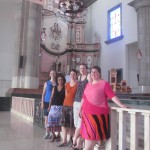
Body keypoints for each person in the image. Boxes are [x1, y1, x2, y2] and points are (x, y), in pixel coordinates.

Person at [79, 66, 127, 150]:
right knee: (88, 139)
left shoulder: (104, 83)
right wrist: (80, 109)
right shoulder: (88, 85)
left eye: (95, 72)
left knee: (92, 139)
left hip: (97, 116)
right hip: (86, 115)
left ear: (99, 73)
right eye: (92, 72)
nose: (93, 74)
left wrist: (121, 105)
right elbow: (84, 97)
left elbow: (112, 96)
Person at [72, 63, 91, 150]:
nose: (82, 69)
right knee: (77, 123)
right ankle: (78, 144)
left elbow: (91, 87)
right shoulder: (79, 77)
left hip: (83, 102)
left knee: (80, 123)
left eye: (83, 68)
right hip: (76, 101)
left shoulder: (88, 76)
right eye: (80, 68)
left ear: (86, 69)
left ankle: (74, 139)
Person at [58, 69, 78, 147]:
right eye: (71, 74)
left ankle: (71, 139)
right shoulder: (67, 84)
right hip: (65, 104)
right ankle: (64, 140)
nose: (72, 76)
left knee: (71, 124)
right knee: (63, 123)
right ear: (69, 76)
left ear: (76, 75)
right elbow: (66, 95)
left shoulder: (78, 84)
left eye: (73, 74)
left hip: (73, 106)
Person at [47, 74, 66, 142]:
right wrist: (49, 106)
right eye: (58, 80)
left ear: (63, 80)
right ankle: (53, 135)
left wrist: (64, 107)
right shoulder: (54, 88)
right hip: (53, 106)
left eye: (61, 79)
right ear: (57, 81)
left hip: (61, 107)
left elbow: (66, 98)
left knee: (59, 122)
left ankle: (58, 136)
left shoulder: (65, 87)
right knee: (50, 121)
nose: (60, 81)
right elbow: (51, 97)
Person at [41, 70, 57, 139]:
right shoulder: (46, 83)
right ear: (49, 74)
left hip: (54, 102)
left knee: (52, 119)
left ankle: (51, 133)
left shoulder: (57, 83)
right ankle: (47, 132)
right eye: (51, 73)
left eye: (54, 73)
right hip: (47, 101)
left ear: (55, 74)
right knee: (46, 118)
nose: (52, 74)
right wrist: (42, 102)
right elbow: (43, 93)